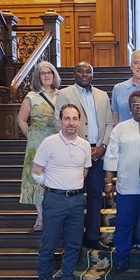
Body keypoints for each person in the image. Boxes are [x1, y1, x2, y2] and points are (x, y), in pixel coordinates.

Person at [32, 104, 92, 280]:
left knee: (74, 244)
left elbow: (85, 171)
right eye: (67, 118)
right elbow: (36, 170)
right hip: (54, 200)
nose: (71, 123)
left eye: (75, 118)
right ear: (60, 120)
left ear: (79, 122)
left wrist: (72, 186)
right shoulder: (49, 143)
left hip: (76, 200)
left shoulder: (84, 145)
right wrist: (51, 185)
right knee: (49, 245)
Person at [54, 62, 114, 251]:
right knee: (75, 196)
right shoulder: (64, 94)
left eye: (88, 71)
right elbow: (59, 123)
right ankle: (73, 239)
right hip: (74, 153)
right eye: (80, 71)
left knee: (96, 196)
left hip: (97, 154)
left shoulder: (102, 95)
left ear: (92, 74)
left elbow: (109, 123)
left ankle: (94, 237)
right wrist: (78, 147)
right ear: (74, 74)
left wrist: (103, 147)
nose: (85, 74)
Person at [103, 90, 140, 275]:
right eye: (135, 104)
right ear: (129, 108)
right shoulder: (120, 128)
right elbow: (112, 156)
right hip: (126, 187)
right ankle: (121, 259)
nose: (139, 107)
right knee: (123, 226)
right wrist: (108, 182)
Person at [17, 61, 60, 231]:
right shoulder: (32, 96)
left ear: (54, 74)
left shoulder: (61, 95)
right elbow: (21, 119)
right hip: (37, 141)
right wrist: (31, 136)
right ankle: (41, 217)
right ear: (38, 76)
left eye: (49, 72)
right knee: (36, 177)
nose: (47, 75)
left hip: (57, 139)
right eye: (43, 73)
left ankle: (55, 215)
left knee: (55, 175)